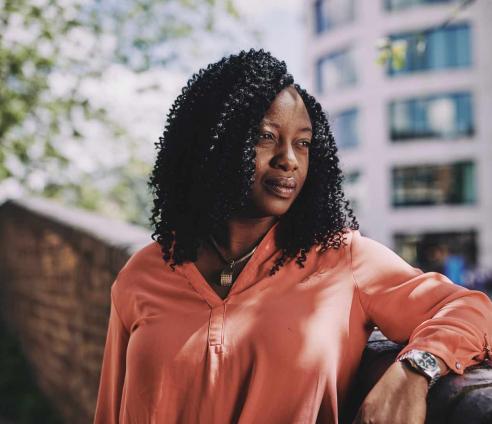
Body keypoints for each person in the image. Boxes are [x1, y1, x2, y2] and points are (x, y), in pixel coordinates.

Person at [93, 49, 492, 424]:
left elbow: (471, 309)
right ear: (215, 143)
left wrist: (414, 370)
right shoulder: (143, 273)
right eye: (267, 137)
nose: (289, 159)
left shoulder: (342, 259)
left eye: (302, 143)